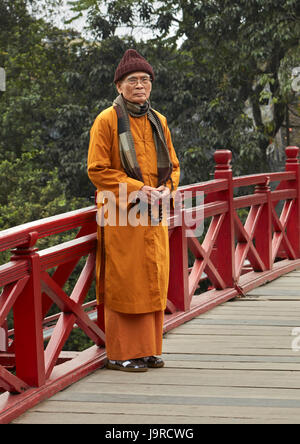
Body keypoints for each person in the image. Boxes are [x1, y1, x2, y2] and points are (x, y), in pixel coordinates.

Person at [87, 49, 180, 372]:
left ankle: (149, 350)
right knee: (126, 284)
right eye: (132, 80)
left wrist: (165, 191)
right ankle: (121, 353)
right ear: (119, 86)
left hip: (153, 213)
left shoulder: (159, 121)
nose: (140, 85)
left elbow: (174, 166)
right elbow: (97, 170)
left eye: (145, 80)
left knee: (154, 281)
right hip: (121, 213)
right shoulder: (107, 120)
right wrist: (139, 188)